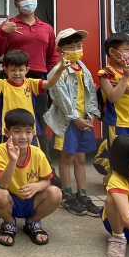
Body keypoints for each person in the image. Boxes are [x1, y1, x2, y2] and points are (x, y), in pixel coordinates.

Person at [0, 0, 58, 152]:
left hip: (37, 80)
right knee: (8, 121)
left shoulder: (47, 28)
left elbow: (53, 56)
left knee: (39, 123)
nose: (28, 1)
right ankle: (3, 164)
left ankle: (44, 165)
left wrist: (54, 76)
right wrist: (4, 33)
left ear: (37, 0)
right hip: (13, 79)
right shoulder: (8, 25)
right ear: (16, 3)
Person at [43, 28, 102, 216]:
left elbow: (91, 92)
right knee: (67, 157)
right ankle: (68, 195)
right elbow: (60, 97)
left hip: (84, 120)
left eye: (78, 45)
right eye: (71, 46)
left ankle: (82, 195)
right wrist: (75, 118)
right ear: (61, 50)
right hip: (68, 122)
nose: (76, 49)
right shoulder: (58, 70)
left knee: (81, 157)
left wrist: (91, 114)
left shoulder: (83, 68)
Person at [0, 109, 62, 247]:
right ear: (7, 133)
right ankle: (9, 223)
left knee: (56, 193)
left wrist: (38, 186)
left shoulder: (37, 153)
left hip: (33, 200)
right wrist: (13, 160)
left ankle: (33, 222)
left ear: (33, 133)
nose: (23, 136)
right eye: (17, 131)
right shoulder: (0, 150)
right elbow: (3, 184)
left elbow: (48, 180)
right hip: (11, 201)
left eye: (28, 131)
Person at [93, 33, 129, 177]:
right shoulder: (106, 73)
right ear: (112, 52)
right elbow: (113, 97)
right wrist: (125, 77)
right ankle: (116, 181)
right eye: (126, 50)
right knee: (120, 155)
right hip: (119, 123)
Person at [0, 49, 66, 137]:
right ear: (5, 70)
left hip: (29, 130)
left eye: (21, 70)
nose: (17, 73)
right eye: (13, 70)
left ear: (27, 70)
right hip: (8, 131)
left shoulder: (31, 83)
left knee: (30, 151)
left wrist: (60, 69)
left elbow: (49, 84)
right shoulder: (2, 84)